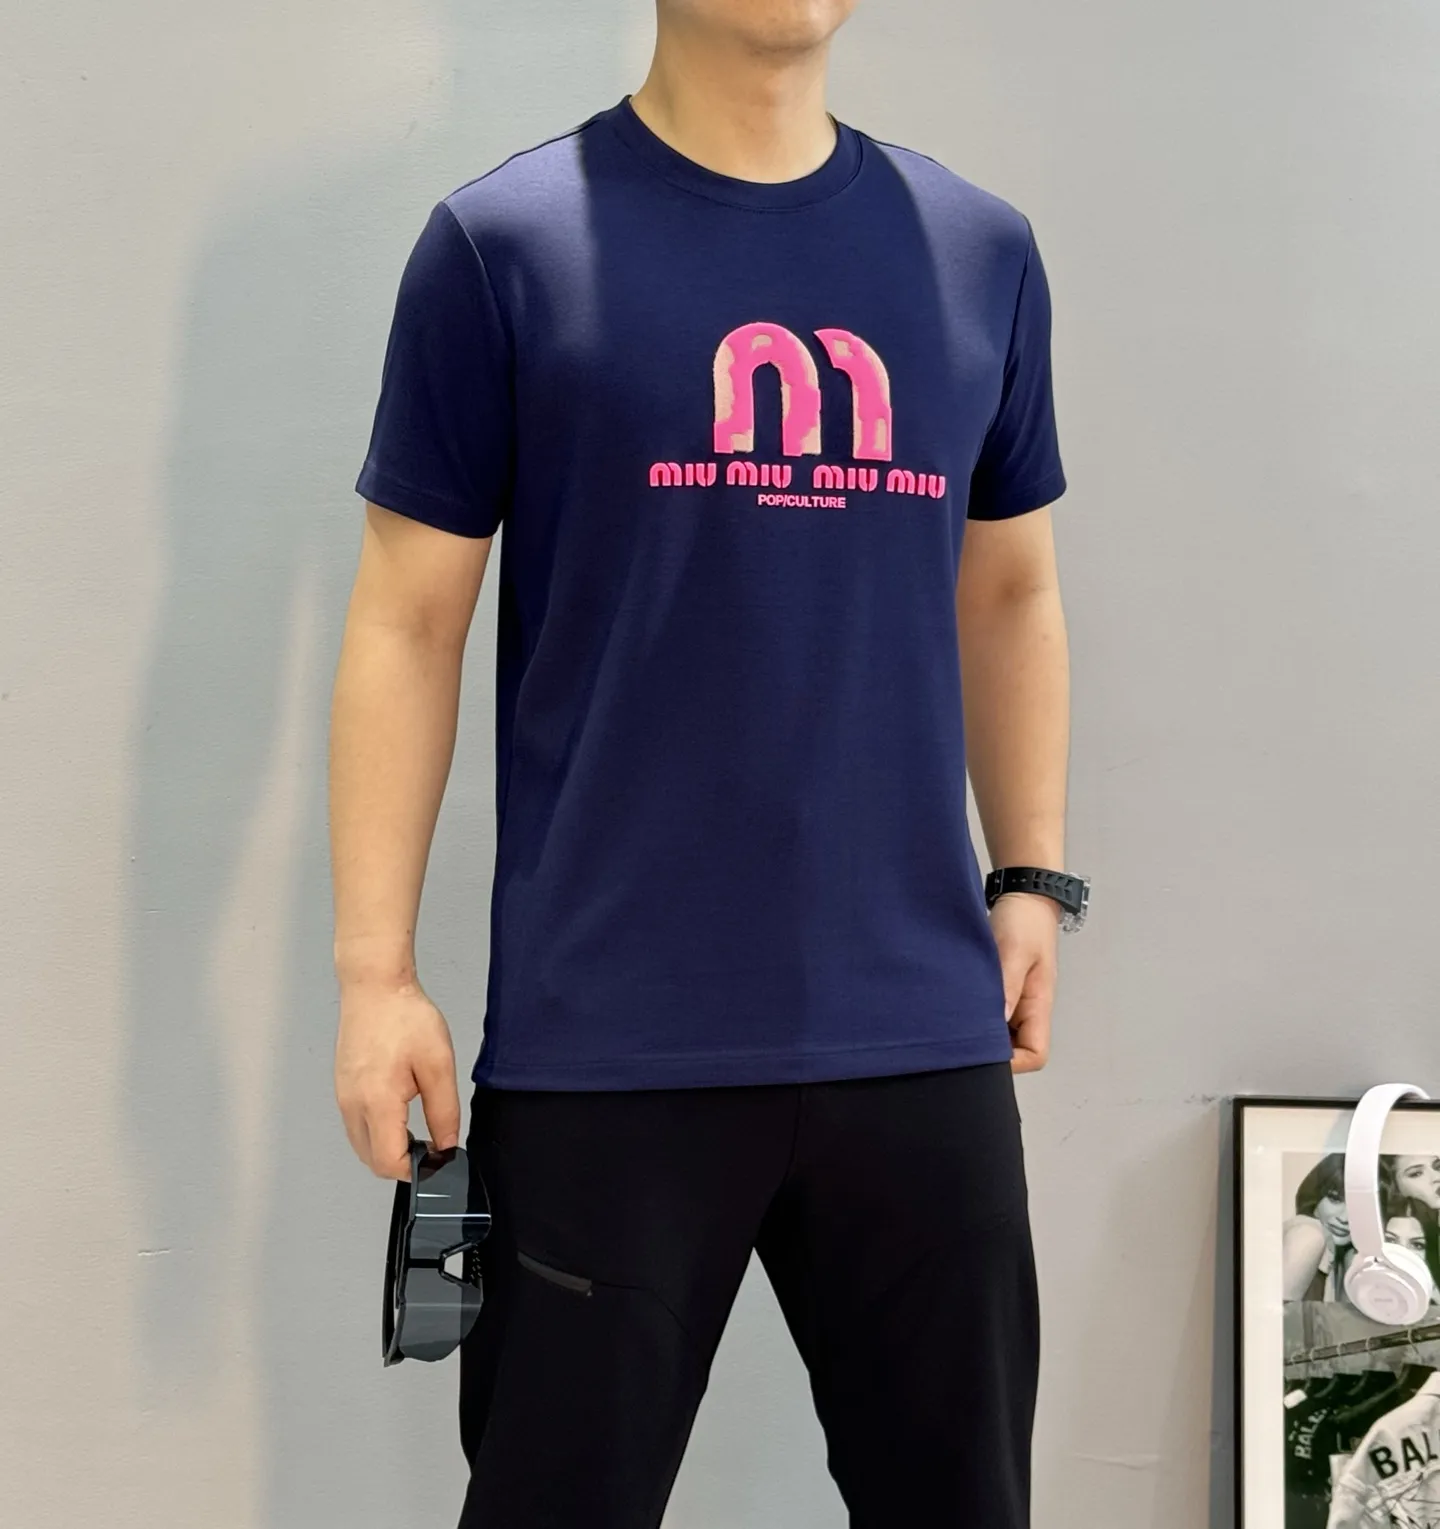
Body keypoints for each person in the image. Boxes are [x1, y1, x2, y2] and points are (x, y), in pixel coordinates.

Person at [328, 2, 1080, 1524]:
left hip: (914, 1033)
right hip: (609, 1042)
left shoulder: (978, 251)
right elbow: (407, 620)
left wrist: (1030, 873)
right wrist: (373, 973)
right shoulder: (506, 246)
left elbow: (1010, 586)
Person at [1284, 1154, 1357, 1304]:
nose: (1344, 1218)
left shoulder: (1338, 1256)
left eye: (1358, 1207)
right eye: (1335, 1199)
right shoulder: (1309, 1236)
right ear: (1315, 1196)